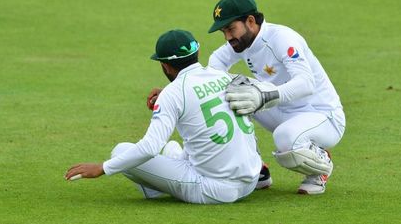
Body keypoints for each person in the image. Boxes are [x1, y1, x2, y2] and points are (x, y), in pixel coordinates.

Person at [65, 29, 262, 204]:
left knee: (120, 151)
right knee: (171, 148)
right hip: (250, 181)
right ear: (197, 53)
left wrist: (102, 168)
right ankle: (159, 184)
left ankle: (155, 189)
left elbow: (150, 147)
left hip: (214, 190)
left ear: (165, 66)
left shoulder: (174, 92)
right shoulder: (222, 76)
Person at [206, 0, 346, 195]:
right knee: (228, 90)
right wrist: (174, 92)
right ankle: (255, 169)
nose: (228, 37)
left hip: (323, 116)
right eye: (224, 32)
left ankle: (320, 165)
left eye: (230, 29)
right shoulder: (242, 42)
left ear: (250, 21)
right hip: (282, 111)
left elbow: (306, 83)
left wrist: (264, 95)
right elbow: (213, 68)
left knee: (284, 138)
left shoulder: (282, 38)